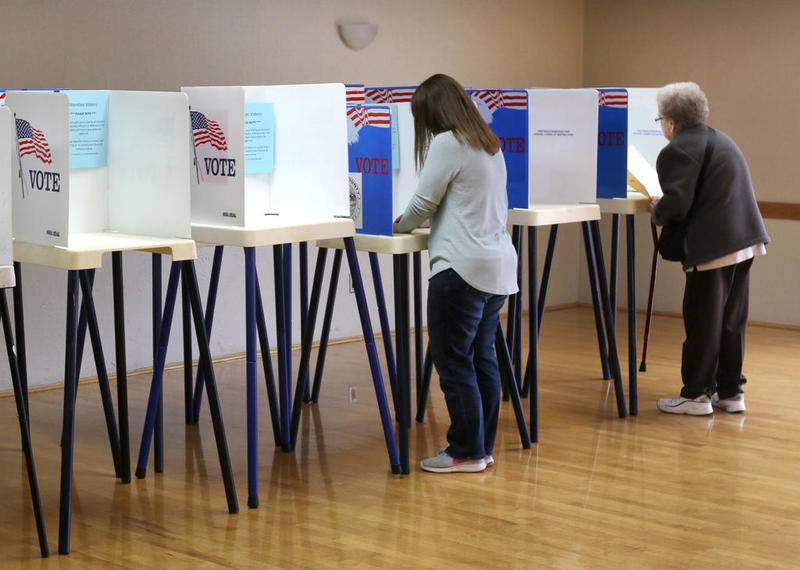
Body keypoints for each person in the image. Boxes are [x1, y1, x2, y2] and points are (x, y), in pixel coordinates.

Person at [393, 74, 518, 472]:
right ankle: (482, 447)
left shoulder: (449, 143)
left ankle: (465, 451)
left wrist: (396, 224)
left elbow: (421, 204)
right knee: (482, 359)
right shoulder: (489, 145)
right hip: (497, 267)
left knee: (453, 362)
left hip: (460, 270)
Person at [651, 82, 770, 416]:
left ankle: (695, 395)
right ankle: (731, 392)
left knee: (703, 320)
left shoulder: (678, 148)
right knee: (731, 321)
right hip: (745, 240)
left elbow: (677, 204)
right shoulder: (721, 138)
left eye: (660, 120)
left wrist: (657, 208)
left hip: (714, 246)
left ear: (671, 122)